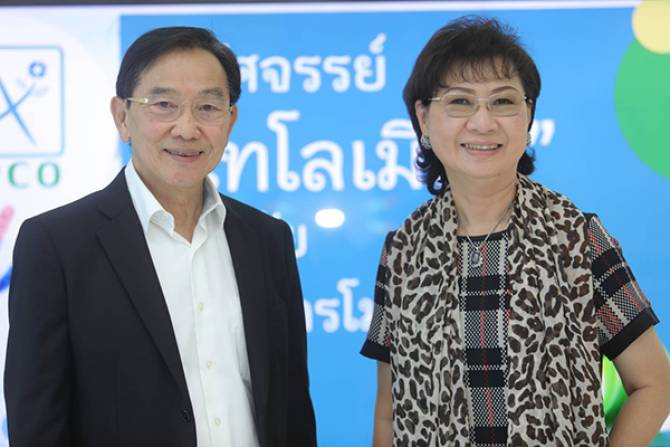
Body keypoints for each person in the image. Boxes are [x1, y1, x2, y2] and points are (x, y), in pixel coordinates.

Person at [361, 16, 670, 447]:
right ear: (423, 119)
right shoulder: (402, 251)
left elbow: (655, 383)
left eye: (503, 101)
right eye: (460, 102)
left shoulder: (576, 237)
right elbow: (389, 413)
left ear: (528, 117)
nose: (483, 122)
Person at [5, 26, 316, 447]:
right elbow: (37, 422)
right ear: (122, 116)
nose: (186, 128)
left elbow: (292, 406)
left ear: (230, 120)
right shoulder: (56, 244)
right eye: (164, 105)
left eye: (208, 107)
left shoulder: (268, 239)